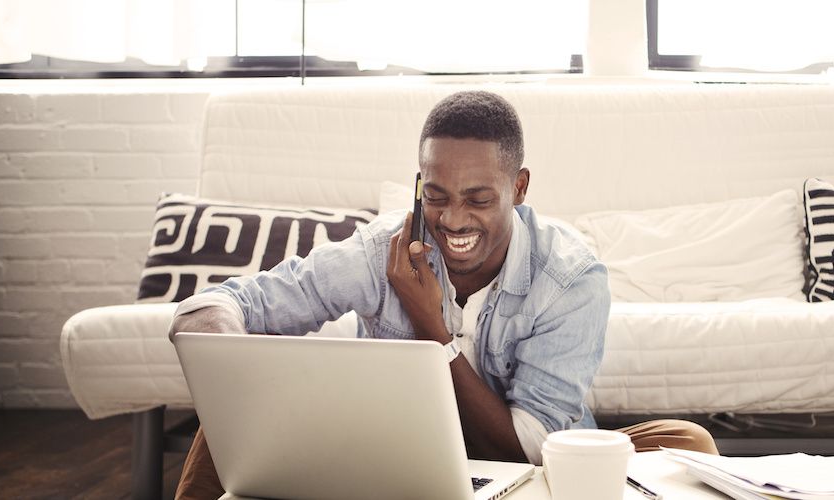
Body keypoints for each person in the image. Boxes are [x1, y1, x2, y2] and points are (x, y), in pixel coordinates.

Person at [168, 90, 717, 499]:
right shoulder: (381, 251)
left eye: (478, 199)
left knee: (686, 441)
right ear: (418, 185)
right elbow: (223, 303)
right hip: (395, 460)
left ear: (519, 188)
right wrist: (223, 355)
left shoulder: (570, 279)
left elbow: (522, 446)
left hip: (535, 474)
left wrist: (433, 331)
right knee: (226, 425)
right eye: (436, 196)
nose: (453, 220)